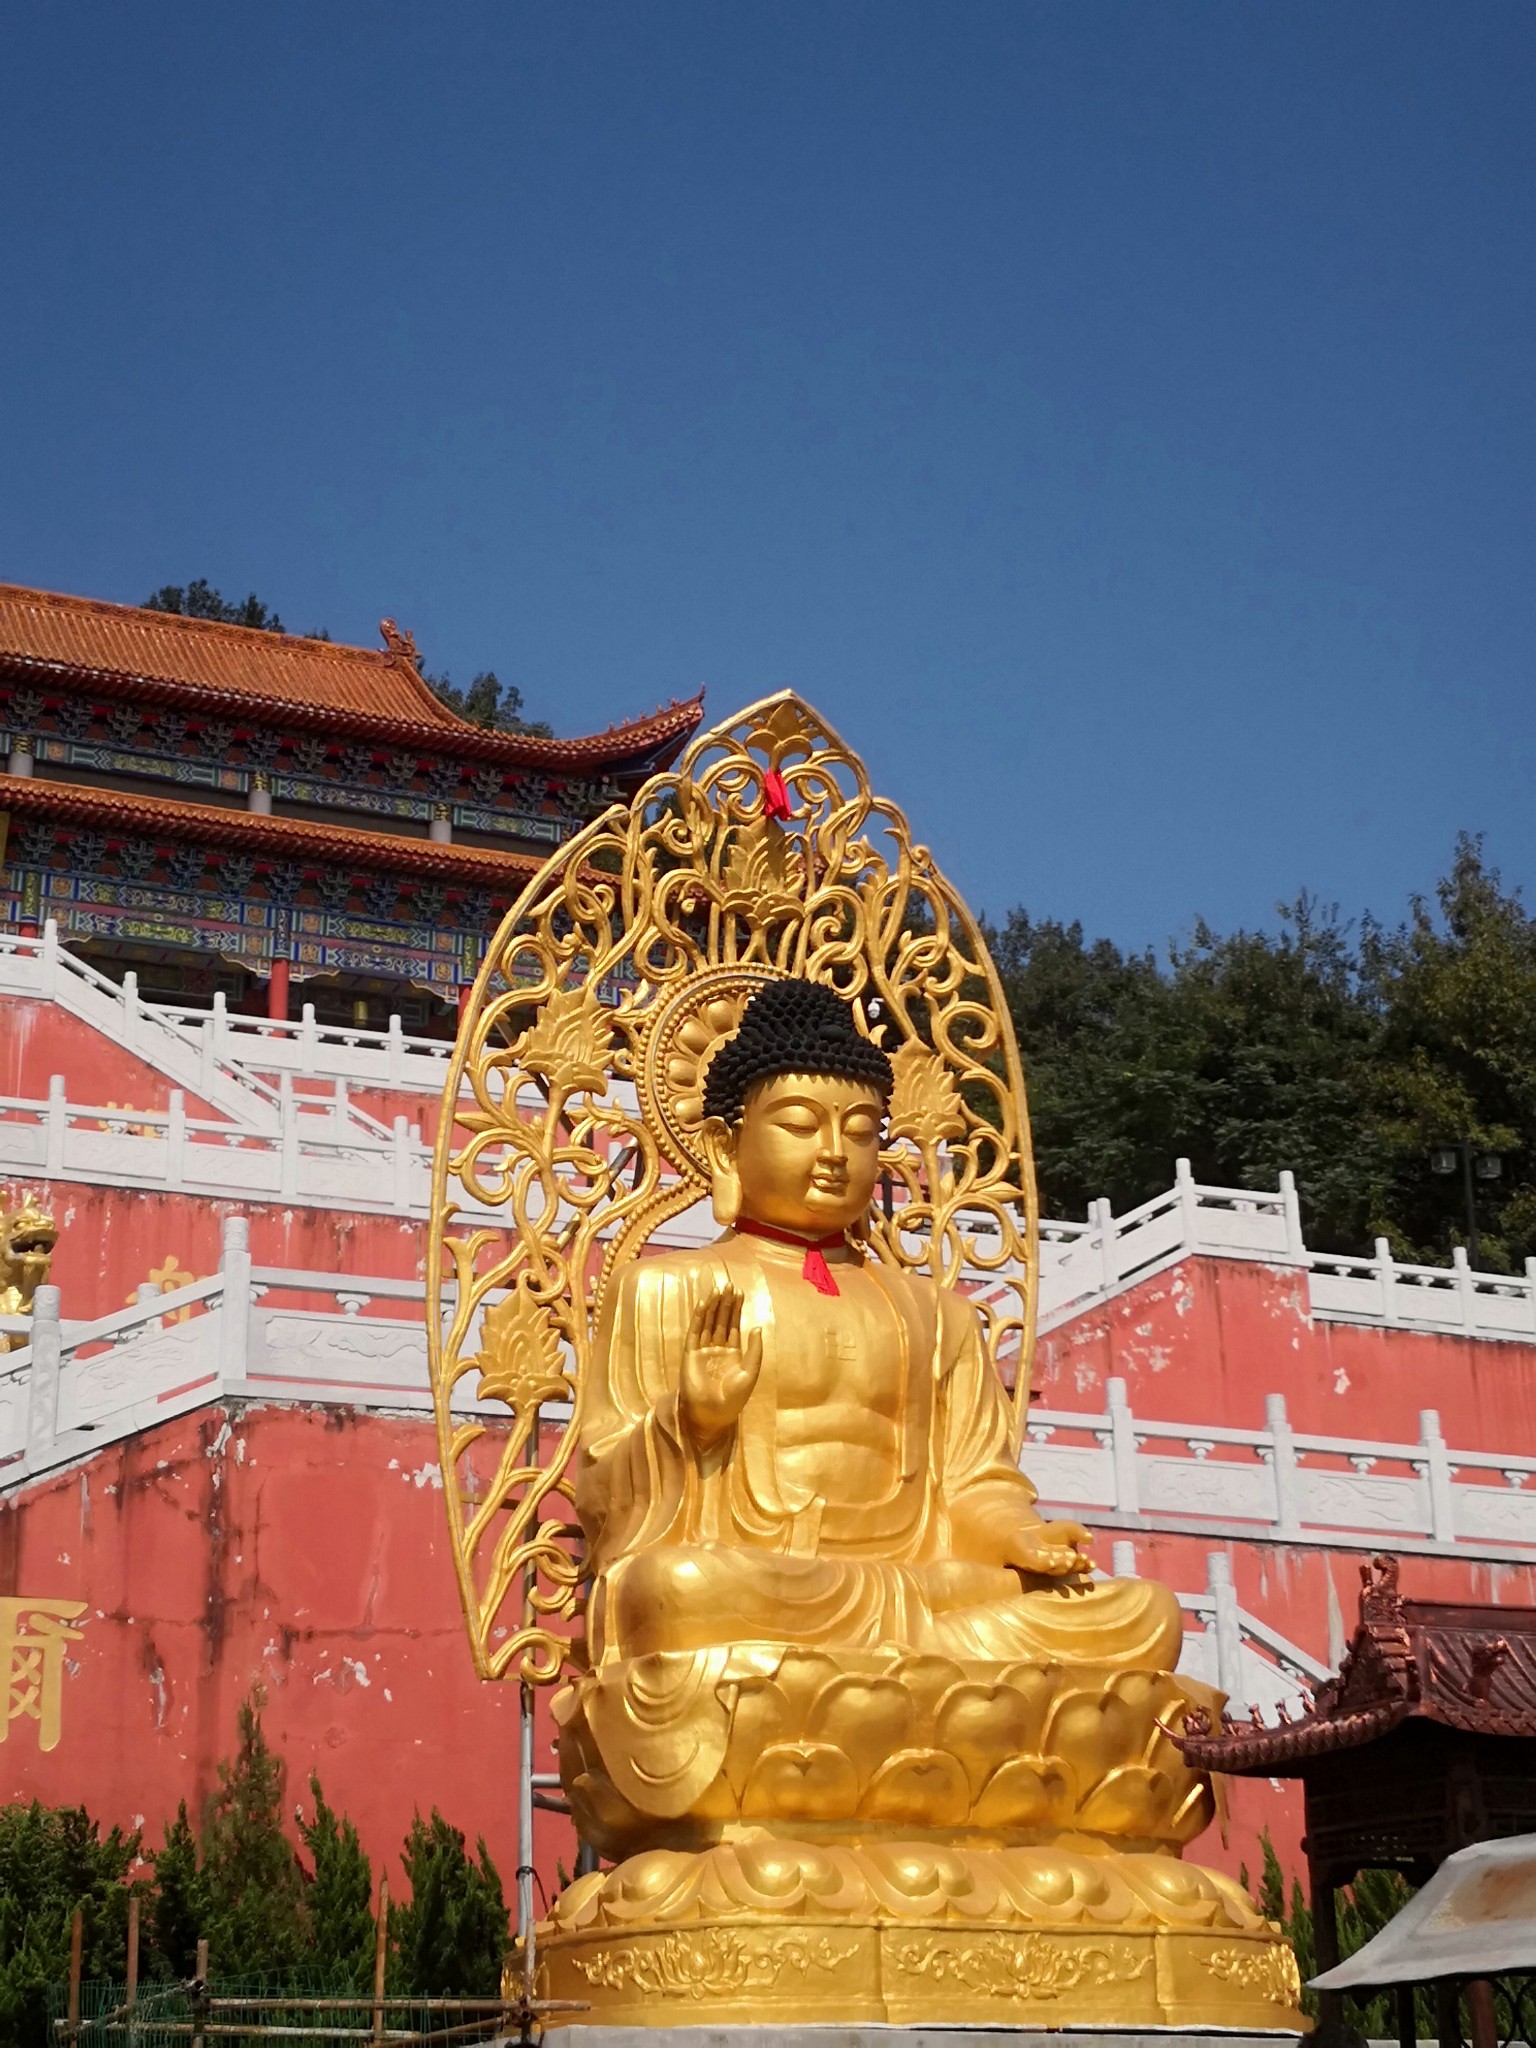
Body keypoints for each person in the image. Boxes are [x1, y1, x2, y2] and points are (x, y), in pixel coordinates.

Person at [576, 977, 1181, 1673]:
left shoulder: (938, 1316)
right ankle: (929, 1671)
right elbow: (600, 1501)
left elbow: (974, 1482)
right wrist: (688, 1422)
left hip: (932, 1590)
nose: (834, 1152)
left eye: (860, 1131)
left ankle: (888, 1667)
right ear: (722, 1148)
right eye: (801, 1126)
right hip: (761, 1583)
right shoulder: (664, 1289)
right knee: (676, 1589)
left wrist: (1021, 1537)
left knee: (1142, 1615)